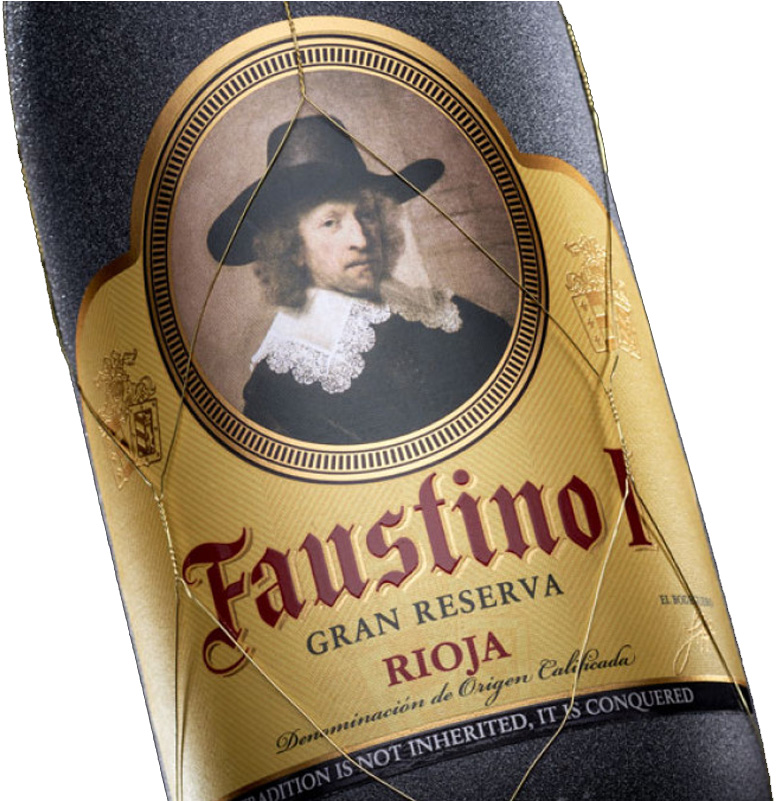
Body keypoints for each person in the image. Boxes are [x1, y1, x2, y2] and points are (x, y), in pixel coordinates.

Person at [207, 115, 512, 445]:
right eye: (330, 223)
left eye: (366, 215)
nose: (361, 239)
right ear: (293, 248)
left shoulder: (438, 311)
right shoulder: (280, 386)